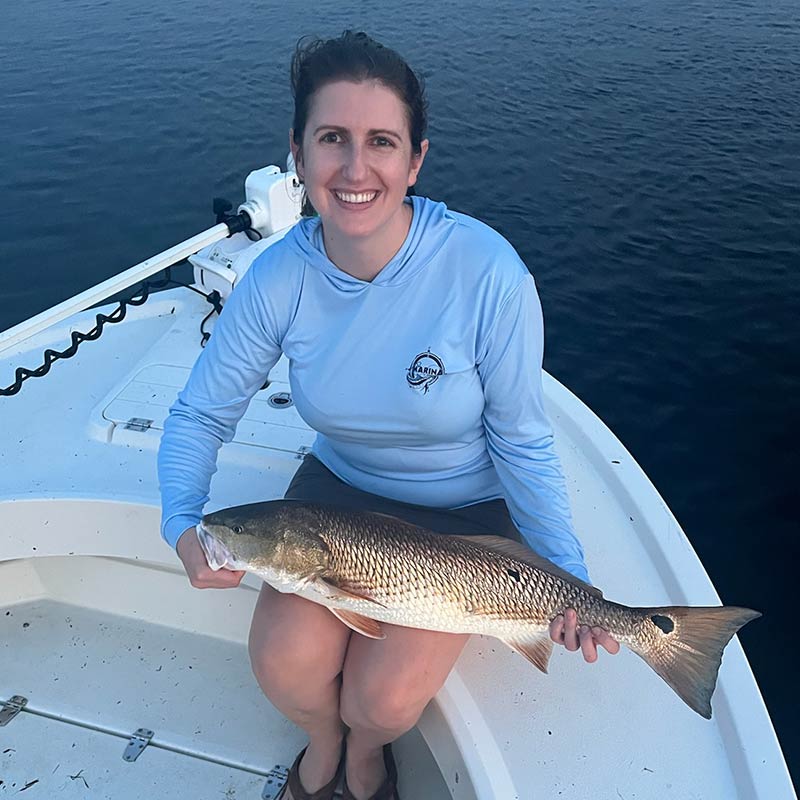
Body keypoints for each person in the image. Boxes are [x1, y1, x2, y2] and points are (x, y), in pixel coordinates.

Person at [157, 30, 619, 800]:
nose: (355, 167)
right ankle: (322, 739)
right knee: (283, 664)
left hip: (460, 513)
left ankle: (367, 750)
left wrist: (564, 577)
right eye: (331, 139)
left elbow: (522, 439)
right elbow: (202, 412)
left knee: (387, 697)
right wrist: (181, 520)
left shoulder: (487, 272)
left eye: (381, 142)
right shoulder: (277, 279)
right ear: (298, 158)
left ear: (415, 161)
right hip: (337, 492)